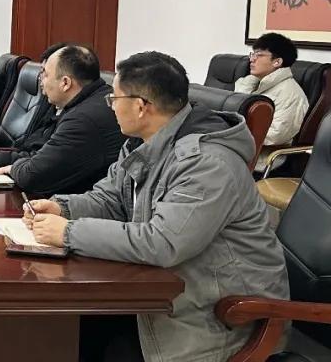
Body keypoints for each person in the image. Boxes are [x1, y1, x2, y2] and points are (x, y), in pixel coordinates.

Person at [25, 51, 288, 362]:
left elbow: (163, 242)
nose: (110, 106)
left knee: (79, 337)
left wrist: (69, 232)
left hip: (219, 318)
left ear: (140, 106)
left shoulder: (206, 163)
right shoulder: (142, 144)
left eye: (114, 99)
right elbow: (111, 199)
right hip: (166, 294)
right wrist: (61, 208)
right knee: (65, 329)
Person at [0, 45, 122, 196]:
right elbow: (40, 153)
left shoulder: (83, 120)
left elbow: (33, 175)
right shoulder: (82, 103)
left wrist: (10, 169)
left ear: (65, 83)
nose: (41, 81)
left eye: (45, 75)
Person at [235, 33, 309, 170]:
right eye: (252, 54)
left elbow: (276, 135)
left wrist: (234, 134)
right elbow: (236, 107)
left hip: (263, 159)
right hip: (242, 148)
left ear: (277, 62)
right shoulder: (256, 83)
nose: (252, 59)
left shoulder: (290, 94)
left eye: (259, 55)